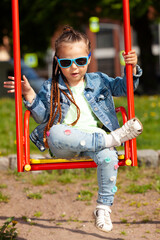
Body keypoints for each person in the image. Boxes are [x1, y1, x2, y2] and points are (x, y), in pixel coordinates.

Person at [4, 26, 143, 233]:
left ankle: (103, 208)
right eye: (66, 62)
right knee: (57, 131)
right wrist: (29, 94)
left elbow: (125, 88)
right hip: (65, 144)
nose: (74, 68)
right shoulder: (51, 87)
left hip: (95, 139)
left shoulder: (99, 81)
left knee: (109, 159)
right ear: (57, 62)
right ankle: (112, 139)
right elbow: (42, 117)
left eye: (79, 61)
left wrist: (130, 68)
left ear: (88, 58)